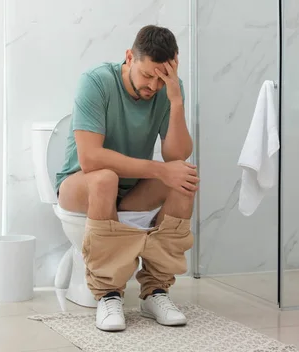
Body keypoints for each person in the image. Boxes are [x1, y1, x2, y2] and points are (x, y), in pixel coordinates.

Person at [55, 25, 199, 332]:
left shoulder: (168, 90)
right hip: (80, 184)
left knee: (184, 177)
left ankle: (156, 290)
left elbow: (177, 156)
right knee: (105, 178)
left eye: (161, 78)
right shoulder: (96, 82)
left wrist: (176, 101)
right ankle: (108, 294)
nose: (153, 86)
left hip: (131, 189)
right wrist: (159, 170)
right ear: (129, 57)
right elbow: (90, 158)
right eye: (147, 75)